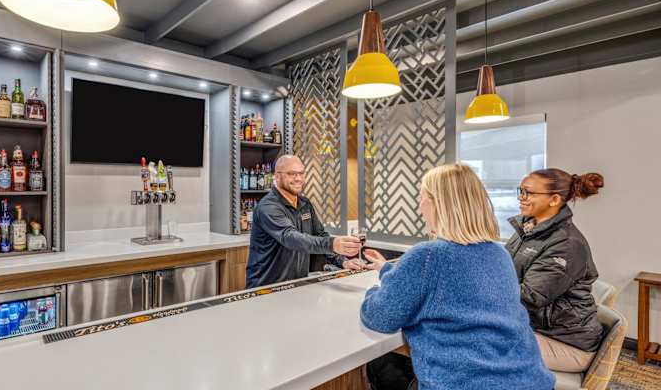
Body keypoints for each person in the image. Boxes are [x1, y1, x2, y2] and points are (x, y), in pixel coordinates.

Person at [360, 164, 554, 390]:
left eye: (421, 197)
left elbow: (380, 317)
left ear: (438, 203)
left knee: (380, 368)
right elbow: (448, 288)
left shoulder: (428, 255)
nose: (419, 205)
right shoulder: (499, 253)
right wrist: (387, 270)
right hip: (531, 380)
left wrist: (373, 290)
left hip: (466, 384)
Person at [507, 168, 605, 373]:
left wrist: (481, 286)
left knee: (481, 349)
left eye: (528, 192)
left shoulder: (567, 243)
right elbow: (505, 269)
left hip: (565, 342)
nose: (521, 197)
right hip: (534, 326)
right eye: (521, 191)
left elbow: (530, 296)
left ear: (554, 200)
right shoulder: (527, 229)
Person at [246, 155, 363, 288]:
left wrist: (342, 261)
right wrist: (332, 244)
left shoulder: (305, 204)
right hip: (266, 287)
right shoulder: (268, 207)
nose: (298, 179)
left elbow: (320, 235)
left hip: (296, 284)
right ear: (277, 176)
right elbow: (290, 237)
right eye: (292, 174)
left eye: (301, 173)